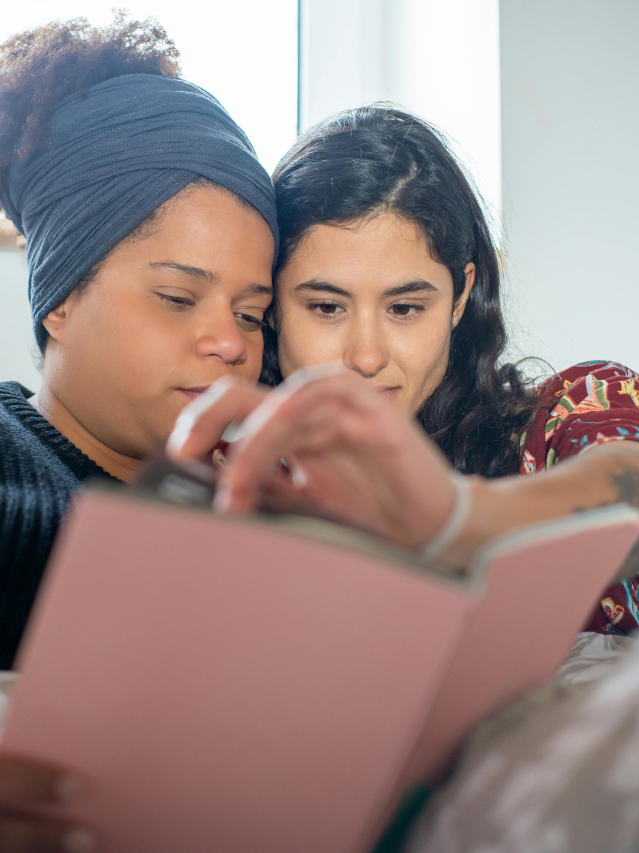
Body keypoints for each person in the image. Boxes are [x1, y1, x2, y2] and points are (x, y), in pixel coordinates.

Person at [171, 105, 639, 631]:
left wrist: (462, 520)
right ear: (274, 304)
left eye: (405, 308)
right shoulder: (226, 469)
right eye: (327, 308)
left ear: (460, 297)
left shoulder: (565, 418)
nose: (367, 357)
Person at [0, 17, 277, 849]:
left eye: (253, 313)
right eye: (177, 297)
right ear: (59, 299)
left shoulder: (255, 489)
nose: (230, 342)